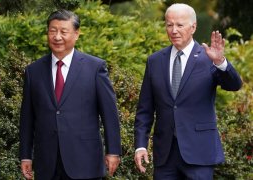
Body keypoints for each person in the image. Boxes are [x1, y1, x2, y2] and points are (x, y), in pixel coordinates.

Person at [134, 3, 242, 180]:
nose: (174, 30)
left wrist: (221, 62)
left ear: (193, 27)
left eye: (180, 25)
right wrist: (140, 145)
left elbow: (234, 85)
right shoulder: (155, 61)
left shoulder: (209, 57)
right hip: (165, 155)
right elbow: (145, 109)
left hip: (199, 153)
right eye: (169, 25)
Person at [19, 9, 121, 180]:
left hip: (85, 161)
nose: (57, 37)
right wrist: (26, 155)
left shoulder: (95, 68)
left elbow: (109, 115)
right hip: (47, 163)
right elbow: (27, 118)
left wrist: (113, 152)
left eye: (63, 31)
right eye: (53, 31)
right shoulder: (33, 71)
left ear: (76, 34)